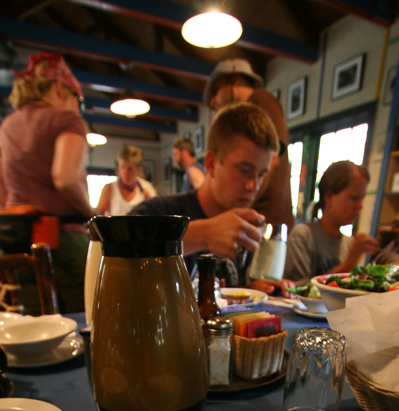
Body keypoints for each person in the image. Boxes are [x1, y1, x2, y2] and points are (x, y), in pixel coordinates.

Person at [0, 51, 95, 314]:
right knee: (88, 319)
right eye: (77, 99)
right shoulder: (67, 120)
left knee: (34, 323)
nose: (77, 107)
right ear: (60, 88)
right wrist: (93, 215)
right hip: (63, 240)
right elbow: (65, 179)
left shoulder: (9, 124)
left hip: (17, 241)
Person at [130, 102, 279, 277]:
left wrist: (259, 286)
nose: (254, 186)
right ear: (211, 164)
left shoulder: (246, 228)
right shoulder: (159, 211)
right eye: (244, 171)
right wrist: (204, 234)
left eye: (261, 175)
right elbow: (116, 255)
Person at [203, 58, 293, 229]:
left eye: (216, 90)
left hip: (266, 222)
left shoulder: (260, 99)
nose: (213, 101)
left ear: (235, 80)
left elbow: (272, 159)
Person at [282, 160, 379, 284]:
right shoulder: (303, 235)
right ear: (328, 197)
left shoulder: (349, 244)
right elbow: (296, 291)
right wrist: (349, 263)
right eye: (354, 198)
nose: (360, 206)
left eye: (362, 199)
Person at [96, 144, 157, 215]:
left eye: (130, 169)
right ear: (118, 167)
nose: (125, 172)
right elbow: (98, 217)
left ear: (139, 170)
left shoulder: (147, 189)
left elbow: (154, 216)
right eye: (122, 167)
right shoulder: (109, 188)